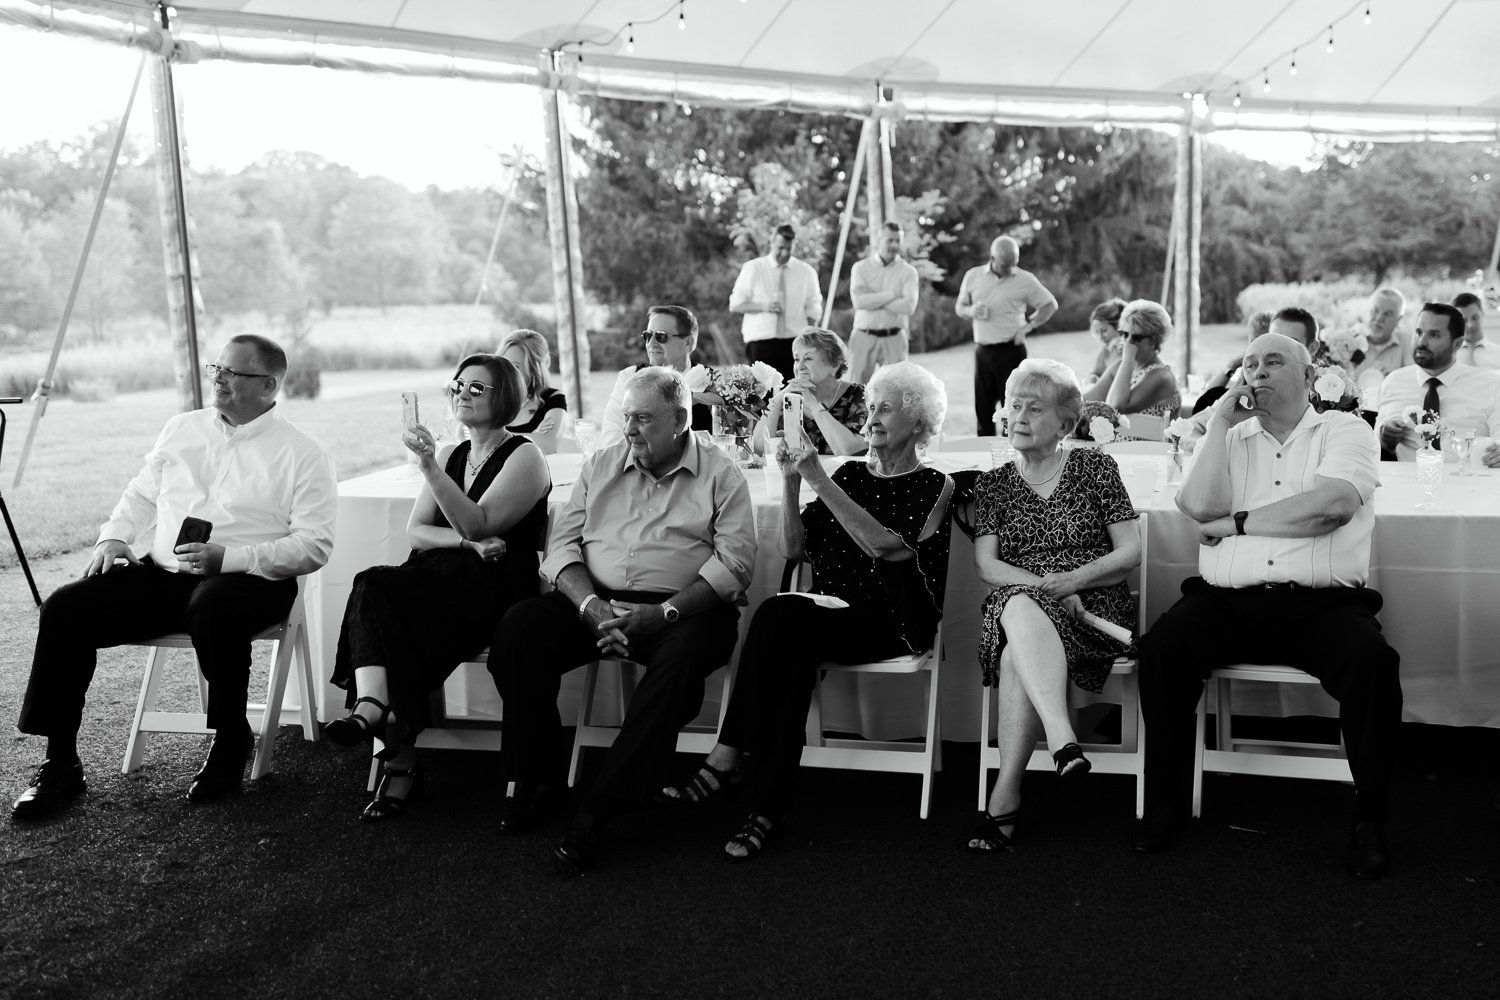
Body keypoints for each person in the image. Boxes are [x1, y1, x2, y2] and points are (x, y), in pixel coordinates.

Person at [11, 335, 337, 816]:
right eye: (217, 369)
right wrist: (113, 536)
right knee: (65, 607)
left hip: (251, 581)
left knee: (213, 605)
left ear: (268, 386)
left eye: (233, 373)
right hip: (164, 575)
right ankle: (61, 762)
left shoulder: (304, 452)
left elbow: (314, 545)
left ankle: (231, 739)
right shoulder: (182, 428)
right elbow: (142, 492)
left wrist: (228, 558)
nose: (219, 379)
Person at [1135, 332, 1402, 880]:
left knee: (1374, 665)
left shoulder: (1345, 430)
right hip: (1227, 601)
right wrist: (1217, 426)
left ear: (1309, 378)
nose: (1256, 370)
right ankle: (1165, 800)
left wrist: (1236, 524)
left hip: (1322, 606)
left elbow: (1330, 508)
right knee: (1163, 649)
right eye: (1250, 362)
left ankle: (1370, 819)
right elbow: (1198, 506)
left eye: (1273, 361)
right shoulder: (1230, 438)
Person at [661, 362, 953, 862]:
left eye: (888, 408)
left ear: (920, 423)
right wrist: (794, 481)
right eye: (873, 405)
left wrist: (819, 476)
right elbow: (795, 550)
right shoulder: (852, 476)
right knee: (790, 648)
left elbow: (885, 547)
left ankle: (728, 757)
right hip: (825, 616)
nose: (873, 415)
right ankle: (767, 808)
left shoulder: (935, 486)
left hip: (893, 622)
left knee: (780, 619)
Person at [487, 367, 757, 870]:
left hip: (684, 607)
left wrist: (663, 613)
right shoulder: (601, 464)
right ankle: (540, 775)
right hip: (597, 600)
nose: (629, 429)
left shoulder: (722, 473)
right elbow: (561, 545)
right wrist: (590, 607)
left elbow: (736, 565)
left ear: (680, 420)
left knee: (681, 660)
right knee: (520, 627)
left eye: (643, 419)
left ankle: (599, 806)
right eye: (627, 417)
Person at [325, 354, 551, 821]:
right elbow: (417, 533)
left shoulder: (525, 455)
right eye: (457, 386)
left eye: (477, 388)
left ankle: (392, 749)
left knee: (382, 600)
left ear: (504, 397)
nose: (462, 395)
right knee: (374, 587)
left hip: (493, 590)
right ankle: (372, 707)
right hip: (438, 578)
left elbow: (479, 520)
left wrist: (429, 468)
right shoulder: (453, 454)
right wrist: (468, 544)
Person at [967, 359, 1141, 854]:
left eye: (1033, 407)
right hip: (1025, 600)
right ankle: (1062, 739)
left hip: (1094, 611)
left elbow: (1130, 553)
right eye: (1014, 405)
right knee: (1018, 604)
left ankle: (1005, 798)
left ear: (1065, 424)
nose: (1018, 416)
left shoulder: (1094, 467)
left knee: (1013, 645)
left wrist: (1077, 582)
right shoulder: (994, 484)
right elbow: (988, 567)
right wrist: (1052, 589)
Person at [955, 236, 1058, 436]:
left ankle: (1014, 455)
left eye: (1013, 264)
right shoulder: (973, 276)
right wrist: (971, 311)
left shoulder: (1025, 279)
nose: (1009, 269)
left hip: (1012, 350)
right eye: (1005, 265)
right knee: (983, 409)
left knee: (1015, 408)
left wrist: (1028, 327)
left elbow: (1049, 305)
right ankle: (983, 456)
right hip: (983, 351)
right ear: (992, 257)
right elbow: (960, 306)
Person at [1375, 301, 1500, 465]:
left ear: (1457, 344)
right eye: (1419, 332)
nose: (1421, 342)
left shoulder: (1490, 384)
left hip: (1470, 482)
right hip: (1407, 483)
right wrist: (1386, 436)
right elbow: (1374, 445)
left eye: (1434, 335)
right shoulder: (1394, 381)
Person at [599, 304, 715, 447]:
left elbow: (727, 443)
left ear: (688, 342)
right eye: (648, 335)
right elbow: (611, 440)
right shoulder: (629, 377)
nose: (651, 343)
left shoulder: (716, 383)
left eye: (661, 336)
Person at [729, 222, 823, 383]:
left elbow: (813, 309)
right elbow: (735, 304)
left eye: (789, 248)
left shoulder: (806, 272)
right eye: (780, 247)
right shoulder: (753, 268)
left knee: (793, 395)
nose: (785, 252)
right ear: (771, 243)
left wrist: (807, 339)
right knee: (761, 395)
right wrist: (764, 306)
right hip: (761, 342)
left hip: (794, 344)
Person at [752, 327, 869, 456]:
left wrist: (811, 401)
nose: (800, 366)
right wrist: (777, 401)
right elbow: (759, 449)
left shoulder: (858, 394)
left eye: (808, 359)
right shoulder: (788, 398)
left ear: (835, 364)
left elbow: (851, 451)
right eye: (796, 359)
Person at [1193, 308, 1317, 417]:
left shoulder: (1325, 393)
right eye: (1272, 338)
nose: (1279, 346)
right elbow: (1200, 418)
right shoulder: (1251, 381)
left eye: (1291, 341)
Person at [848, 221, 920, 384]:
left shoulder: (909, 272)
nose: (894, 245)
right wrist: (893, 295)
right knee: (856, 390)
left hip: (894, 338)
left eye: (898, 240)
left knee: (896, 390)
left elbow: (909, 307)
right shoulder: (860, 268)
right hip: (863, 336)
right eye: (890, 240)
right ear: (877, 240)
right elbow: (859, 302)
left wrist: (873, 297)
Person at [1084, 299, 1181, 420]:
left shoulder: (1160, 375)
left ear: (1154, 341)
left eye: (1137, 337)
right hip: (1119, 438)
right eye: (1124, 334)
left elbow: (1116, 407)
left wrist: (1128, 359)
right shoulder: (1122, 366)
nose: (1127, 342)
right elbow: (1087, 400)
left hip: (1152, 439)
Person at [497, 329, 566, 454]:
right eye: (504, 364)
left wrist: (490, 436)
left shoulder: (553, 398)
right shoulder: (493, 396)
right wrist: (531, 437)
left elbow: (548, 445)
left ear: (535, 368)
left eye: (515, 366)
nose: (506, 371)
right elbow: (464, 434)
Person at [1352, 287, 1413, 382]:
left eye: (1387, 314)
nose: (1379, 318)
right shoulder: (1349, 340)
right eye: (1375, 310)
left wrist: (1394, 379)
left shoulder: (1408, 342)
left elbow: (1413, 382)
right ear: (1368, 310)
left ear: (1398, 319)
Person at [1453, 292, 1500, 370]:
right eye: (1463, 320)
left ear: (1483, 314)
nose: (1470, 325)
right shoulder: (1445, 357)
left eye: (1475, 317)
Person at [1085, 298, 1127, 386]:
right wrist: (1093, 377)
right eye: (1096, 332)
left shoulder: (1121, 348)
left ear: (1119, 327)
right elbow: (1096, 372)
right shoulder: (1105, 350)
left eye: (1104, 331)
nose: (1100, 337)